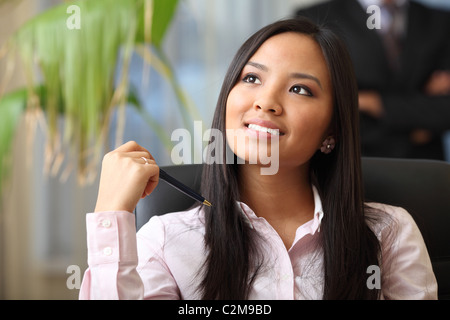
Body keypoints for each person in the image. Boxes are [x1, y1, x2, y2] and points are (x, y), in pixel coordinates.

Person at [79, 18, 437, 300]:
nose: (265, 102)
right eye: (251, 77)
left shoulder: (388, 233)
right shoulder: (166, 241)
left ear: (332, 132)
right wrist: (111, 212)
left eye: (300, 89)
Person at [296, 0, 450, 160]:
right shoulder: (317, 18)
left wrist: (372, 102)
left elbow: (446, 108)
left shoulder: (440, 21)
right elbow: (321, 104)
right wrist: (418, 121)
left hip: (425, 167)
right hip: (352, 162)